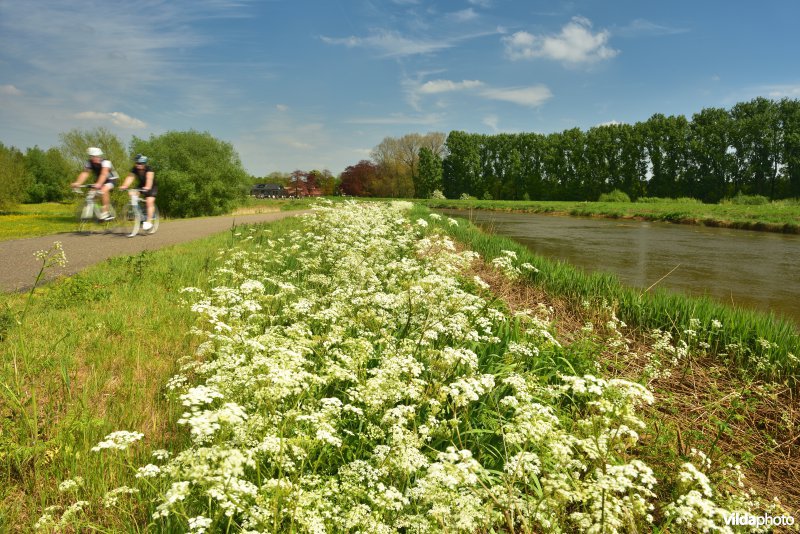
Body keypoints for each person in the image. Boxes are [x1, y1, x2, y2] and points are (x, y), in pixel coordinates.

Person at [71, 147, 118, 220]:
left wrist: (99, 184)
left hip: (110, 179)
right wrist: (78, 182)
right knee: (91, 194)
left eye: (95, 156)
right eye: (91, 157)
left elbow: (104, 174)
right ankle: (94, 210)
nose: (93, 158)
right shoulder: (89, 162)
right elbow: (85, 173)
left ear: (99, 156)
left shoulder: (106, 162)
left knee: (103, 190)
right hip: (99, 180)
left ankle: (106, 212)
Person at [120, 154, 157, 231]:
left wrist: (147, 187)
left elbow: (149, 179)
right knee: (131, 193)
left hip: (151, 186)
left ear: (144, 163)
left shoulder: (149, 169)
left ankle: (149, 221)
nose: (137, 165)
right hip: (141, 185)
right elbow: (130, 178)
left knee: (149, 201)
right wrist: (125, 185)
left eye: (140, 164)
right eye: (136, 163)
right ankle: (139, 214)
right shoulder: (134, 169)